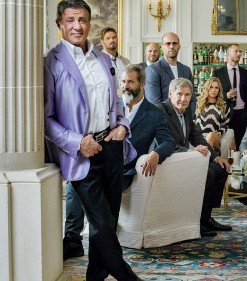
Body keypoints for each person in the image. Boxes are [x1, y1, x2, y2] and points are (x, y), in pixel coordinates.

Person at [44, 1, 142, 280]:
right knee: (100, 223)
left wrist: (122, 126)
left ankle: (94, 278)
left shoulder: (102, 59)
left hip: (111, 147)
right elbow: (46, 119)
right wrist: (77, 142)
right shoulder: (51, 62)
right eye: (71, 20)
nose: (77, 25)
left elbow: (116, 102)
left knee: (109, 222)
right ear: (59, 24)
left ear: (90, 23)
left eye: (83, 20)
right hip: (81, 153)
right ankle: (127, 277)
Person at [62, 64, 177, 260]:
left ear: (142, 84)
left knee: (101, 202)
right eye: (123, 81)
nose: (125, 86)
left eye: (130, 82)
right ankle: (72, 240)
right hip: (99, 162)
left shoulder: (155, 114)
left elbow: (168, 141)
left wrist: (156, 154)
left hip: (125, 170)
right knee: (75, 183)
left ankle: (105, 247)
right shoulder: (110, 108)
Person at [157, 78, 232, 237]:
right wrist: (190, 152)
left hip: (183, 159)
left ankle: (206, 217)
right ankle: (198, 222)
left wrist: (216, 157)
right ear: (170, 94)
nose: (183, 99)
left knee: (220, 168)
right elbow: (164, 142)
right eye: (179, 94)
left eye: (187, 95)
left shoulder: (186, 111)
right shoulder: (161, 110)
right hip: (168, 160)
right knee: (207, 173)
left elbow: (197, 137)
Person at [213, 44, 247, 149]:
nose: (239, 54)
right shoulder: (218, 73)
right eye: (236, 51)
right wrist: (226, 95)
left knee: (243, 145)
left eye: (240, 52)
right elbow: (213, 93)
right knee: (224, 145)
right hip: (225, 114)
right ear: (228, 53)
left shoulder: (246, 73)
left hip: (242, 114)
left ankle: (242, 164)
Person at [145, 32, 196, 114]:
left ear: (179, 46)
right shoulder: (153, 70)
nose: (171, 46)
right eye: (168, 43)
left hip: (185, 121)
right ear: (162, 47)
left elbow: (192, 99)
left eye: (174, 43)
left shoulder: (186, 70)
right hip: (164, 122)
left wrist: (187, 117)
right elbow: (154, 103)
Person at [194, 77, 232, 154]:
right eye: (211, 87)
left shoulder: (224, 106)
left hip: (215, 138)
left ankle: (206, 158)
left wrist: (218, 133)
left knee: (211, 135)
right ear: (206, 88)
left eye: (216, 88)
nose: (213, 90)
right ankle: (209, 158)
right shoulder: (198, 104)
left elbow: (226, 125)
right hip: (200, 138)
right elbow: (193, 122)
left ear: (219, 90)